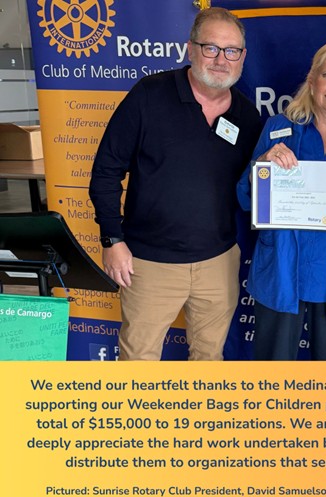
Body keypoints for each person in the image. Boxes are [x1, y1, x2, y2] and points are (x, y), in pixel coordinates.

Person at [89, 7, 262, 360]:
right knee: (139, 362)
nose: (221, 60)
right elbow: (106, 170)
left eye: (231, 51)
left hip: (218, 262)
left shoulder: (247, 116)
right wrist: (111, 239)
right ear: (190, 49)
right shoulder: (149, 95)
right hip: (148, 263)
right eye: (211, 48)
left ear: (242, 57)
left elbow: (252, 188)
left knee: (209, 360)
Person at [237, 39, 326, 361]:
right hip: (281, 270)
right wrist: (262, 168)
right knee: (273, 372)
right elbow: (245, 197)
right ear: (312, 80)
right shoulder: (278, 128)